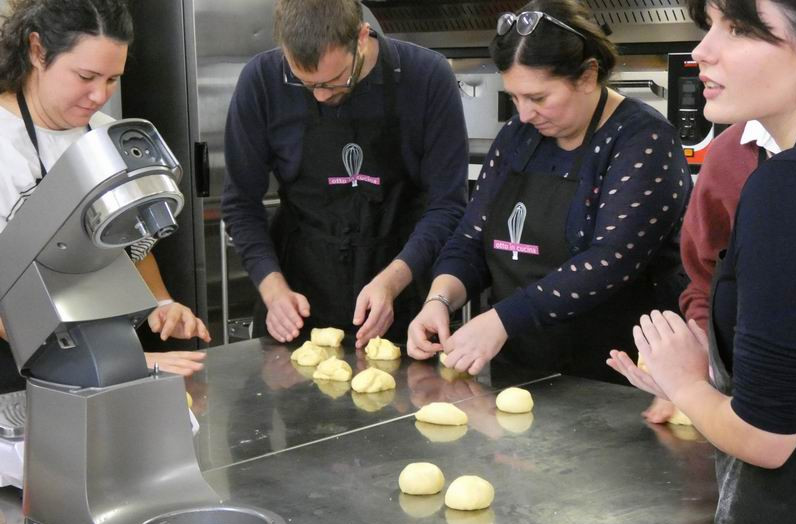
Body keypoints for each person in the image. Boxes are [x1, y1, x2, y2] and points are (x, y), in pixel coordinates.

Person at [407, 0, 691, 381]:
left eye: (538, 98)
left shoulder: (643, 139)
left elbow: (610, 261)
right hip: (522, 367)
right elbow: (471, 239)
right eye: (515, 98)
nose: (524, 114)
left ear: (588, 76)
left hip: (615, 376)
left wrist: (500, 321)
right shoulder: (517, 137)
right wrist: (439, 299)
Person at [607, 0, 796, 524]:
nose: (701, 51)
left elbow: (769, 441)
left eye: (737, 29)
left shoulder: (784, 187)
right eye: (707, 26)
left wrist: (688, 384)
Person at [222, 0, 468, 348]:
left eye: (335, 82)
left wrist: (391, 283)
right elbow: (241, 204)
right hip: (297, 299)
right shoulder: (261, 80)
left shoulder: (426, 77)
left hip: (401, 301)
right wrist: (273, 290)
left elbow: (448, 206)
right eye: (305, 84)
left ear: (362, 37)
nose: (321, 96)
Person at [0, 0, 209, 393]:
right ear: (37, 51)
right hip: (13, 369)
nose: (99, 95)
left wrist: (161, 306)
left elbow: (132, 242)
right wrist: (104, 355)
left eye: (112, 80)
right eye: (86, 76)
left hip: (98, 354)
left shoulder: (106, 135)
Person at [644, 120, 780, 423]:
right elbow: (705, 284)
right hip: (745, 411)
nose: (705, 69)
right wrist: (702, 370)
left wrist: (689, 390)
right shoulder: (729, 152)